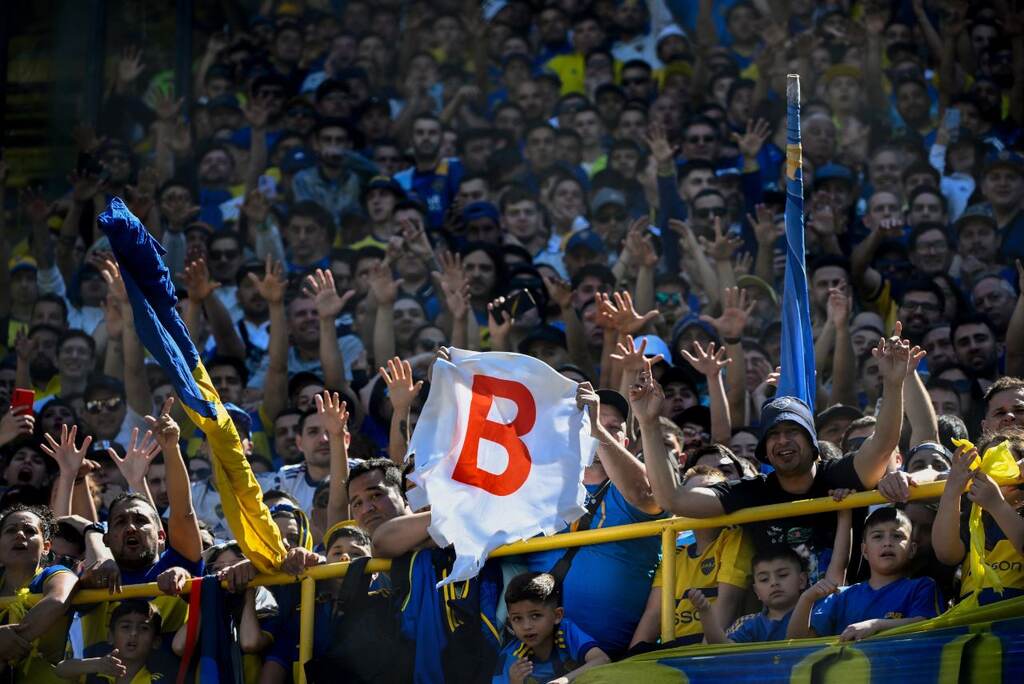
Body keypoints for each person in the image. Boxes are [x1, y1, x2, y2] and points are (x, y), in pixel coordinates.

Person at [642, 328, 921, 582]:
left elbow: (883, 444)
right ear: (764, 451)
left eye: (792, 431)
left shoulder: (838, 474)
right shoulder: (753, 492)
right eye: (773, 434)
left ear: (812, 442)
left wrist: (893, 384)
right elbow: (673, 499)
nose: (783, 440)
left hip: (843, 621)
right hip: (776, 630)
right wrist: (649, 423)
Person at [628, 465, 752, 648]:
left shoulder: (735, 538)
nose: (701, 500)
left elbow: (728, 601)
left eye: (712, 492)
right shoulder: (675, 550)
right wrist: (631, 658)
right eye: (695, 494)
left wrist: (702, 658)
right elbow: (654, 613)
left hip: (711, 650)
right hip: (674, 651)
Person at [788, 507, 941, 641]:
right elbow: (797, 640)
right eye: (878, 536)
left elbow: (926, 625)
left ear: (912, 549)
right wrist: (806, 599)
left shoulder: (922, 587)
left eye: (897, 536)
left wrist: (876, 625)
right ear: (865, 551)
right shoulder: (841, 596)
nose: (887, 542)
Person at [0, 504, 77, 681]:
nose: (20, 535)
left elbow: (57, 601)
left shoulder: (56, 574)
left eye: (30, 531)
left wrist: (8, 644)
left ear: (46, 547)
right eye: (11, 530)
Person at [493, 572, 609, 684]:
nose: (526, 626)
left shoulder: (565, 632)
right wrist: (515, 682)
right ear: (510, 622)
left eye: (535, 616)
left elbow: (603, 660)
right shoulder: (512, 658)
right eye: (517, 618)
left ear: (557, 615)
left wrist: (564, 680)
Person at [55, 600, 163, 682]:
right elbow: (60, 669)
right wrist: (96, 665)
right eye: (126, 627)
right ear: (110, 636)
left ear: (156, 641)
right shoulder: (96, 669)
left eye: (143, 628)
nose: (134, 633)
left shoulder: (156, 680)